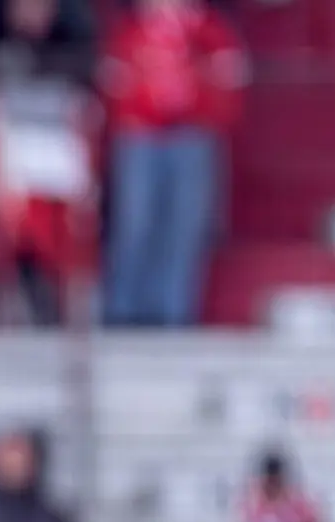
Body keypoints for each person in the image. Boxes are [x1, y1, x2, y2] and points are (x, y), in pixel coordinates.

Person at [98, 0, 246, 329]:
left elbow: (229, 81)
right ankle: (122, 310)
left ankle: (173, 312)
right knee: (134, 222)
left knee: (184, 227)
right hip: (140, 137)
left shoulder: (210, 31)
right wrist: (136, 117)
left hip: (192, 137)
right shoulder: (130, 31)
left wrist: (205, 117)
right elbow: (115, 84)